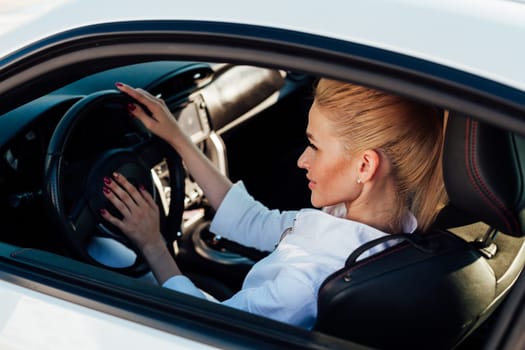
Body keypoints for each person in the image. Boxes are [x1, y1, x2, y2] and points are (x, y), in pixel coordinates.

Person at [100, 78, 447, 329]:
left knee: (104, 252)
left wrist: (152, 244)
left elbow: (210, 328)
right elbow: (255, 222)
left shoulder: (305, 282)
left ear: (365, 166)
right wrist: (179, 139)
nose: (302, 160)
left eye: (315, 146)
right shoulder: (379, 228)